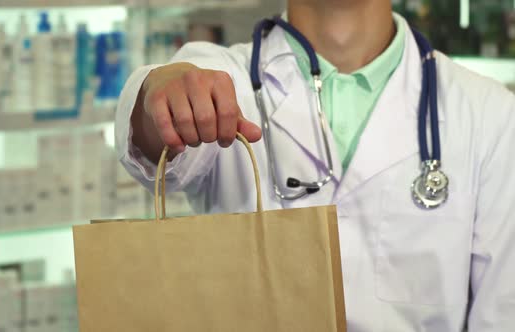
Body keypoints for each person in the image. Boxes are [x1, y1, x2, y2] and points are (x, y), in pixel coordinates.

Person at [115, 0, 515, 330]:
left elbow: (501, 313)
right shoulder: (224, 78)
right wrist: (162, 95)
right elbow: (153, 143)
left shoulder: (489, 113)